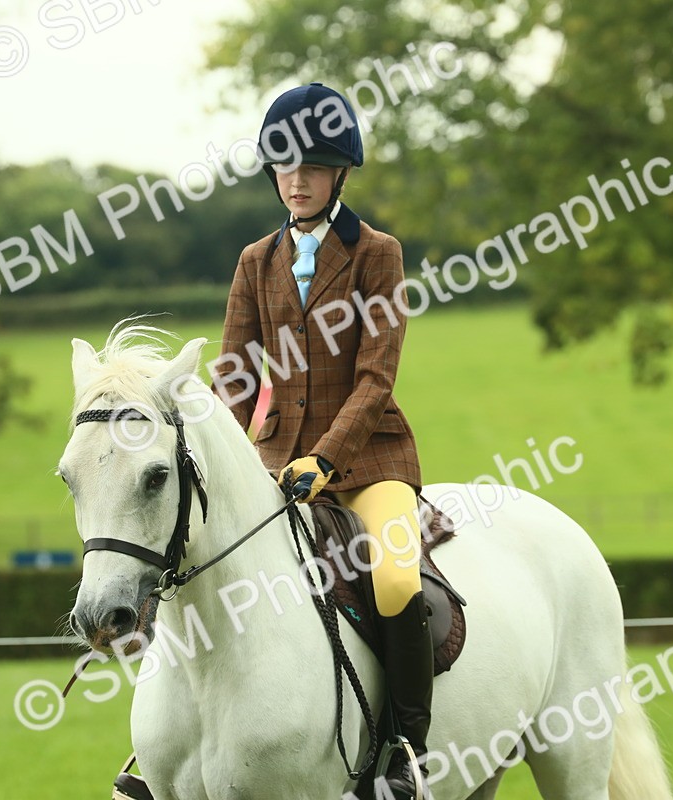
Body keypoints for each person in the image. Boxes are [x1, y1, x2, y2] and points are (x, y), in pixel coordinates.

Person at [215, 83, 432, 799]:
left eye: (309, 168)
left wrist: (328, 457)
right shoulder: (254, 260)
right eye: (283, 166)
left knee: (398, 578)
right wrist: (229, 458)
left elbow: (376, 377)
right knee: (206, 573)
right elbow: (236, 377)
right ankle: (165, 747)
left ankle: (404, 749)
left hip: (370, 462)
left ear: (339, 173)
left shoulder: (378, 254)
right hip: (277, 465)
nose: (294, 181)